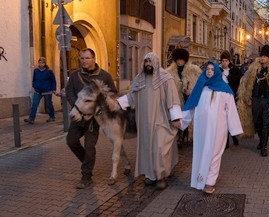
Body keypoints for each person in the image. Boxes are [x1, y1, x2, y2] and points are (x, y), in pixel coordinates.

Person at [117, 52, 182, 189]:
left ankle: (161, 176)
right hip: (144, 121)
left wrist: (175, 117)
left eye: (150, 62)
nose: (148, 64)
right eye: (146, 62)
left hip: (161, 119)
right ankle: (150, 175)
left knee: (159, 148)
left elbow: (173, 98)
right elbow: (132, 96)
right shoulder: (139, 79)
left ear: (156, 62)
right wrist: (117, 104)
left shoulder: (165, 78)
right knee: (147, 148)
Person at [180, 61, 243, 194]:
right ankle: (200, 180)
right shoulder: (200, 87)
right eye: (207, 69)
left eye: (212, 69)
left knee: (214, 154)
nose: (209, 71)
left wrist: (235, 129)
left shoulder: (225, 89)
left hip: (218, 128)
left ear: (216, 72)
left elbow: (231, 109)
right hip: (201, 128)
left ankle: (210, 182)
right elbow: (191, 106)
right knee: (202, 152)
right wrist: (182, 121)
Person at [65, 48, 117, 189]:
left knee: (89, 146)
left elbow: (112, 93)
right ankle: (87, 163)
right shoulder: (75, 75)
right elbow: (68, 90)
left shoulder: (104, 76)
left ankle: (86, 176)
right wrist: (76, 103)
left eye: (87, 58)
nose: (84, 61)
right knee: (71, 141)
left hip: (94, 119)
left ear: (94, 58)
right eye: (82, 58)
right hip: (78, 116)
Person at [237, 45, 269, 157]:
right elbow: (245, 83)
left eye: (264, 56)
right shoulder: (254, 69)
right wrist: (248, 97)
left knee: (266, 123)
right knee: (257, 122)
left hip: (268, 100)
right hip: (256, 99)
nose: (262, 58)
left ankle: (264, 147)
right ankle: (261, 140)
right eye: (261, 56)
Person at [166, 48, 201, 147]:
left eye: (181, 59)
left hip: (188, 99)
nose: (179, 61)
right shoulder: (169, 72)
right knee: (178, 118)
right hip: (176, 100)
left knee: (187, 117)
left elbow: (198, 85)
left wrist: (190, 91)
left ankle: (186, 136)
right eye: (177, 59)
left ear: (185, 60)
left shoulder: (193, 71)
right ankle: (180, 137)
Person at [220, 50, 243, 148]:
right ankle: (225, 141)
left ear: (229, 61)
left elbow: (240, 82)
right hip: (221, 98)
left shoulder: (235, 71)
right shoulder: (218, 71)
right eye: (222, 61)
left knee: (231, 117)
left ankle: (234, 136)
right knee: (223, 119)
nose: (224, 62)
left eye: (226, 60)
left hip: (232, 97)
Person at [24, 57, 57, 124]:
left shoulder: (49, 71)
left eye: (42, 63)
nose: (40, 64)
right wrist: (34, 85)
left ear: (44, 63)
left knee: (48, 104)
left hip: (47, 90)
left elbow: (53, 80)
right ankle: (31, 118)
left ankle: (52, 116)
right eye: (39, 62)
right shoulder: (36, 70)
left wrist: (53, 89)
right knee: (34, 104)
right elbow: (34, 79)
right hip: (38, 91)